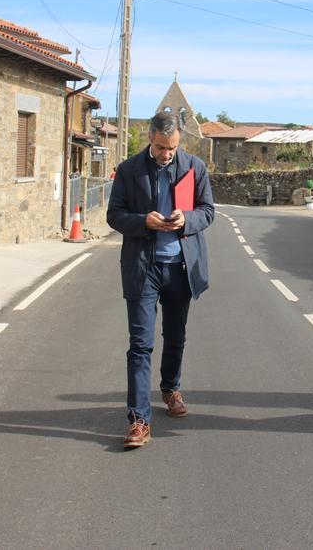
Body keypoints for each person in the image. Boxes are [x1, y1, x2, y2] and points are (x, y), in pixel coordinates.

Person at [107, 112, 215, 449]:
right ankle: (139, 420)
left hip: (180, 268)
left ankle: (170, 388)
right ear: (150, 139)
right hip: (143, 267)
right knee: (140, 344)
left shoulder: (194, 167)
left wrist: (187, 219)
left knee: (175, 335)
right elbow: (114, 215)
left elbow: (208, 211)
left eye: (171, 148)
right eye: (160, 147)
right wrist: (144, 222)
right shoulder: (128, 170)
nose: (166, 154)